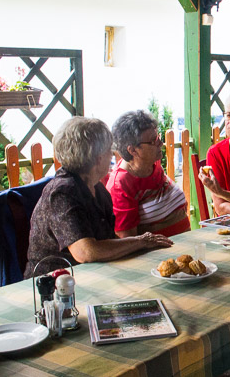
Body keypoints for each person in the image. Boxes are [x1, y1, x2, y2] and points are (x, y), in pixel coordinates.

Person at [25, 117, 172, 278]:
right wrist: (141, 241)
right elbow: (86, 252)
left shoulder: (96, 188)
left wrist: (142, 244)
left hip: (91, 275)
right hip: (54, 284)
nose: (112, 155)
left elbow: (109, 241)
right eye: (109, 150)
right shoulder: (62, 192)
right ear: (97, 157)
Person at [106, 110, 190, 238]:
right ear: (133, 150)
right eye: (153, 141)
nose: (160, 143)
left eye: (158, 137)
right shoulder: (120, 185)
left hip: (184, 242)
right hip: (162, 250)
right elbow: (128, 240)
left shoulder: (151, 164)